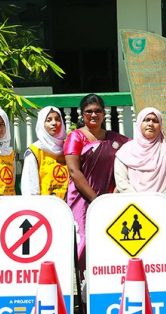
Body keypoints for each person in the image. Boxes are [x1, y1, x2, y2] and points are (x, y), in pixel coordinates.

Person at [64, 94, 129, 288]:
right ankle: (83, 289)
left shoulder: (115, 139)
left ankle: (104, 286)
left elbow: (136, 152)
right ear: (82, 114)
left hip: (109, 198)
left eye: (98, 111)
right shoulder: (76, 137)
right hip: (82, 198)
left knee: (107, 239)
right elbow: (74, 171)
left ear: (104, 113)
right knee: (83, 242)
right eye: (89, 111)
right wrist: (95, 199)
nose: (94, 115)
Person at [114, 107, 166, 202]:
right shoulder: (126, 151)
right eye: (146, 120)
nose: (150, 124)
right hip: (134, 205)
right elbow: (121, 182)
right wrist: (139, 202)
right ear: (139, 123)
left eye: (155, 121)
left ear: (160, 125)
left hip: (163, 205)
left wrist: (161, 201)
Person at [20, 106, 69, 198]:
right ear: (42, 124)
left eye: (57, 119)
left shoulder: (68, 148)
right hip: (45, 204)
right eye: (49, 120)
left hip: (68, 204)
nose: (54, 123)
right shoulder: (34, 151)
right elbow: (30, 186)